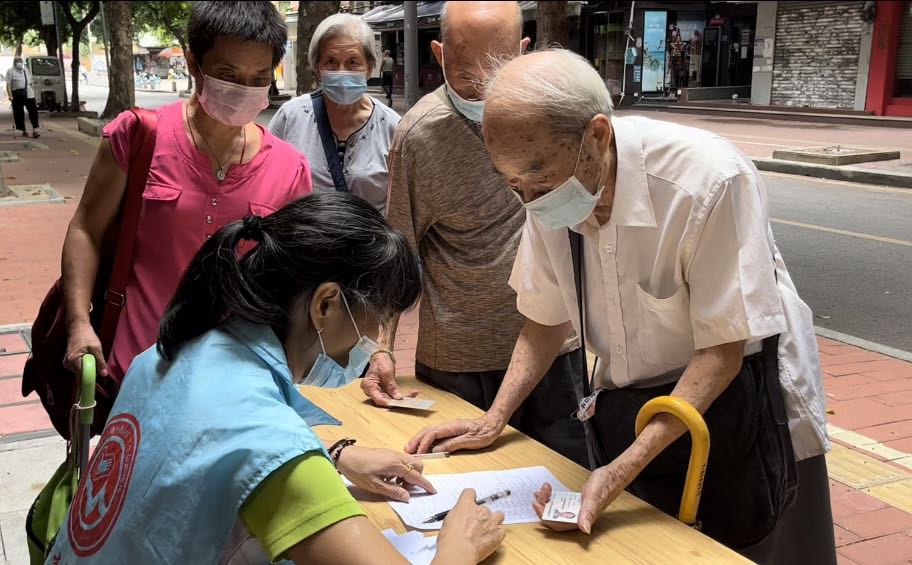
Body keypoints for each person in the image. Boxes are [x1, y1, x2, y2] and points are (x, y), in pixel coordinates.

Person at [407, 49, 836, 565]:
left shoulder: (708, 180)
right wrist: (493, 419)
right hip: (640, 409)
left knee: (757, 541)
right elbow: (543, 322)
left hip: (741, 400)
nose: (529, 200)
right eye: (512, 184)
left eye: (541, 181)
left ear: (597, 135)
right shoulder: (545, 192)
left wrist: (617, 472)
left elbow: (722, 353)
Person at [46, 193, 506, 564]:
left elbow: (205, 450)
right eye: (378, 320)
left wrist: (333, 455)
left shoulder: (171, 353)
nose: (373, 342)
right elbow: (256, 448)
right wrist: (458, 547)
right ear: (326, 305)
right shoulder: (266, 441)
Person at [361, 1, 588, 467]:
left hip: (552, 351)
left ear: (522, 52)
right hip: (461, 361)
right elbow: (397, 252)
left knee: (564, 479)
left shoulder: (555, 116)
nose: (485, 87)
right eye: (468, 75)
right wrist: (381, 348)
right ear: (440, 54)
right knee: (461, 484)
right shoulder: (421, 135)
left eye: (497, 71)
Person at [61, 2, 312, 390]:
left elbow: (294, 280)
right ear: (194, 64)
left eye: (259, 77)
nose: (243, 89)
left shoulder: (289, 168)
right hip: (134, 375)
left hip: (233, 385)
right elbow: (86, 230)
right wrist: (78, 324)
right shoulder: (138, 136)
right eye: (228, 75)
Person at [269, 14, 398, 213]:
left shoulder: (392, 128)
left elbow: (403, 206)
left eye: (353, 61)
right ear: (317, 68)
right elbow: (265, 181)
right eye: (331, 61)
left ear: (369, 68)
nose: (341, 71)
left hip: (370, 233)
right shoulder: (291, 117)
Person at [5, 57, 40, 138]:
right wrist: (10, 95)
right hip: (17, 94)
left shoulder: (26, 71)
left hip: (29, 93)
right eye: (18, 61)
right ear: (14, 63)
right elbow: (8, 85)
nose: (19, 63)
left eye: (20, 61)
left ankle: (35, 129)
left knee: (33, 111)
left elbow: (30, 83)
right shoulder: (10, 71)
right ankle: (23, 130)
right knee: (19, 113)